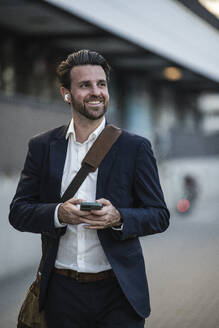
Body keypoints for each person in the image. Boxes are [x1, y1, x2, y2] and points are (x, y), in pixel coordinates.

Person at [9, 49, 170, 328]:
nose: (96, 92)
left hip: (119, 292)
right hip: (61, 292)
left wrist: (118, 218)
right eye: (85, 85)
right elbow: (18, 212)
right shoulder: (43, 146)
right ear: (66, 93)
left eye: (101, 84)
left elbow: (159, 214)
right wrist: (60, 214)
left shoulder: (135, 147)